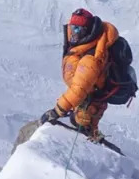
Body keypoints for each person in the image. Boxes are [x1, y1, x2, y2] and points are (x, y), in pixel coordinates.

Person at [39, 8, 121, 142]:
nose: (74, 32)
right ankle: (91, 133)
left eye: (79, 29)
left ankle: (90, 135)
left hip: (89, 100)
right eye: (73, 27)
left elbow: (79, 89)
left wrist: (57, 111)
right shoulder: (84, 45)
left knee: (81, 123)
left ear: (88, 30)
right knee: (80, 120)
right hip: (86, 98)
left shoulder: (90, 59)